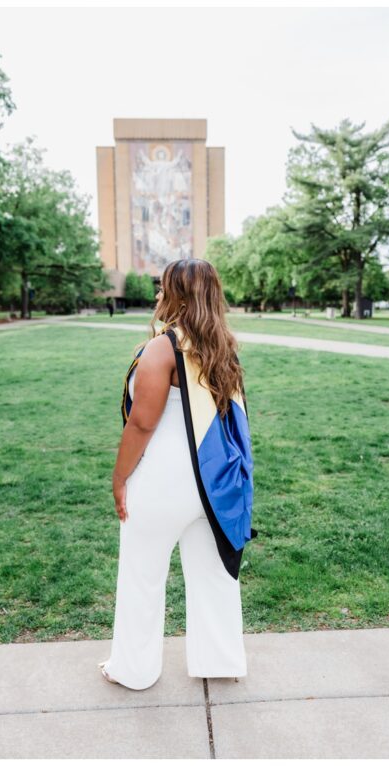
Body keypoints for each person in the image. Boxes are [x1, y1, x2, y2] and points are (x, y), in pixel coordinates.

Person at [99, 258, 255, 690]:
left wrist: (119, 478)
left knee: (142, 575)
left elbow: (143, 423)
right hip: (214, 481)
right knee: (214, 575)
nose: (156, 294)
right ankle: (221, 661)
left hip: (162, 481)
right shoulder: (223, 345)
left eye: (162, 287)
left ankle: (134, 669)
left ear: (179, 295)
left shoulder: (162, 348)